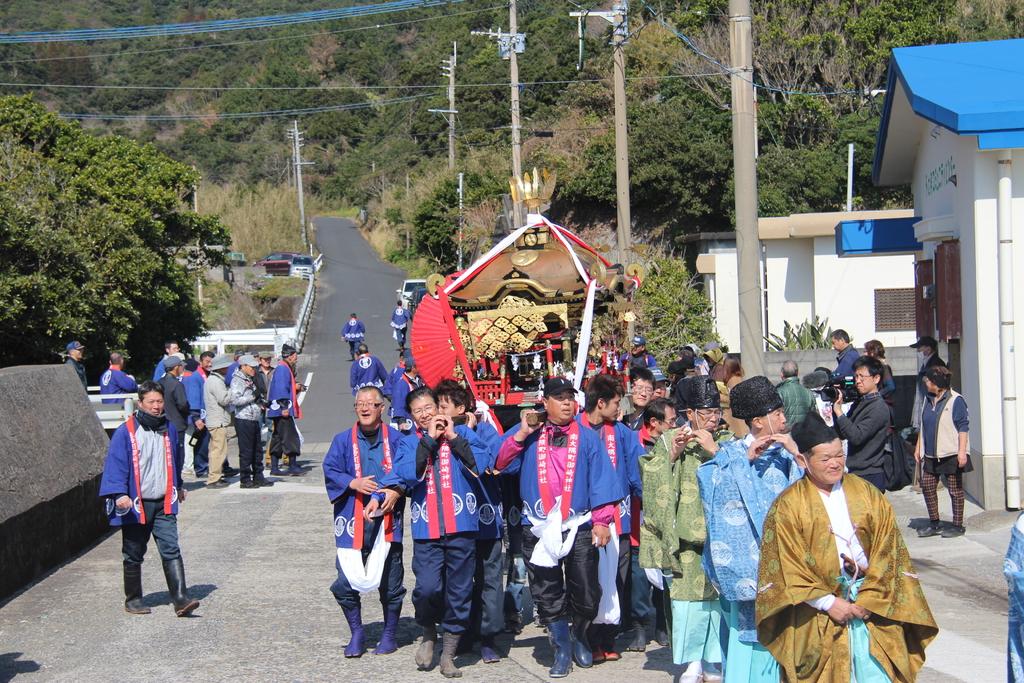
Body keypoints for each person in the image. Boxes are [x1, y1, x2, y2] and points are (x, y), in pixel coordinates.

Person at [756, 412, 938, 681]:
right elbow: (786, 565)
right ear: (803, 460)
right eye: (826, 458)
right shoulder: (787, 506)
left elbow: (890, 551)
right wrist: (828, 602)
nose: (835, 464)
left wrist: (868, 597)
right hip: (816, 615)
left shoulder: (866, 493)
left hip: (872, 606)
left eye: (839, 455)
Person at [494, 377, 624, 677]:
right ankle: (562, 647)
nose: (567, 403)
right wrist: (522, 433)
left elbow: (602, 478)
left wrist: (603, 520)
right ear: (546, 402)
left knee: (588, 591)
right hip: (537, 526)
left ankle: (580, 633)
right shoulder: (529, 432)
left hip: (578, 523)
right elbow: (500, 462)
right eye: (560, 397)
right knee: (546, 591)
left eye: (570, 397)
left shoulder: (588, 437)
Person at [368, 386, 491, 678]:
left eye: (428, 408)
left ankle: (448, 654)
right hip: (427, 529)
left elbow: (482, 464)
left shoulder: (464, 435)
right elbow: (407, 475)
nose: (424, 415)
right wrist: (429, 442)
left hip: (462, 525)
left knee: (459, 591)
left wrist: (453, 437)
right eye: (417, 411)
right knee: (426, 588)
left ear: (438, 408)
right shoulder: (410, 444)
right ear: (411, 417)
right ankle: (427, 631)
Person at [697, 376, 802, 683]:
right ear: (757, 421)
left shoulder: (789, 453)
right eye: (777, 413)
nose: (784, 418)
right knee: (748, 639)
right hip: (749, 566)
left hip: (789, 561)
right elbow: (710, 490)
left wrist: (797, 454)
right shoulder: (729, 454)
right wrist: (745, 462)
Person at [640, 377, 731, 683]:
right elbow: (650, 476)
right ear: (689, 413)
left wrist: (715, 450)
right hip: (683, 539)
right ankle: (692, 661)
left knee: (719, 602)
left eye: (716, 411)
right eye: (706, 412)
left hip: (721, 536)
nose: (714, 417)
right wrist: (674, 454)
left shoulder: (728, 441)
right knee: (687, 603)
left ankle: (714, 660)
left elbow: (740, 477)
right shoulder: (669, 439)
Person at [98, 380, 200, 617]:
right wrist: (120, 494)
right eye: (151, 402)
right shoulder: (126, 432)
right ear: (140, 403)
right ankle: (133, 599)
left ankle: (180, 598)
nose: (156, 406)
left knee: (171, 548)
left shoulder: (169, 428)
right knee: (133, 552)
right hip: (136, 504)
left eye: (159, 401)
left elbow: (175, 459)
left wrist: (179, 486)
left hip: (163, 500)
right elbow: (115, 465)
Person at [323, 386, 406, 658]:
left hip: (386, 521)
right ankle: (357, 632)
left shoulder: (395, 439)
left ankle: (389, 634)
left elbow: (407, 471)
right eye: (360, 403)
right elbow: (331, 469)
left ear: (382, 408)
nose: (365, 407)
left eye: (372, 403)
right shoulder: (342, 440)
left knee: (391, 581)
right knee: (344, 582)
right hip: (352, 519)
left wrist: (391, 491)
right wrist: (352, 482)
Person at [435, 380, 504, 664]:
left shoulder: (485, 430)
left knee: (489, 578)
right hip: (454, 520)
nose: (437, 412)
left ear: (461, 408)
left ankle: (488, 636)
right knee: (458, 580)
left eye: (443, 407)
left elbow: (492, 464)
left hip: (485, 515)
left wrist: (468, 435)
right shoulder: (436, 434)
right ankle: (460, 632)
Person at [579, 375, 644, 662]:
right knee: (587, 582)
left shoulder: (623, 433)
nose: (620, 408)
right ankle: (586, 638)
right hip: (581, 521)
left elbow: (638, 474)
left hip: (617, 519)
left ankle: (607, 638)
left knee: (615, 580)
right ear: (600, 402)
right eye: (617, 402)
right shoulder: (573, 431)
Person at [630, 398, 676, 653]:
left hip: (666, 520)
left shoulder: (674, 441)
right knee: (639, 577)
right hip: (641, 516)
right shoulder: (635, 442)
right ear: (655, 423)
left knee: (665, 572)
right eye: (671, 421)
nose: (675, 424)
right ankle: (639, 625)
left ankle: (662, 622)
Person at [915, 366, 971, 538]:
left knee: (955, 490)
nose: (926, 383)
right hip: (931, 453)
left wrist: (962, 452)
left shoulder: (956, 400)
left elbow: (963, 427)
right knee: (928, 486)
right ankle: (934, 523)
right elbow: (923, 425)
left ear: (937, 384)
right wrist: (918, 447)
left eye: (929, 381)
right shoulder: (927, 399)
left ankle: (957, 525)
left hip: (950, 453)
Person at [832, 356, 892, 491]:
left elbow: (856, 437)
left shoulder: (878, 407)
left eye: (862, 377)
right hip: (856, 471)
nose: (858, 381)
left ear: (876, 379)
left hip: (870, 474)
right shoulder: (861, 402)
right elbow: (842, 432)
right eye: (856, 376)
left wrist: (839, 412)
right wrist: (835, 409)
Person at [230, 354, 272, 489]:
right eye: (251, 366)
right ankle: (245, 479)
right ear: (243, 366)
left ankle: (258, 476)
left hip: (254, 417)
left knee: (257, 449)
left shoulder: (250, 379)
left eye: (255, 366)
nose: (254, 369)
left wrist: (261, 402)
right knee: (246, 451)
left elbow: (255, 396)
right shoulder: (237, 380)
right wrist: (252, 397)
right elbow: (235, 400)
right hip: (243, 419)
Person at [268, 344, 306, 477]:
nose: (296, 359)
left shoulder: (283, 368)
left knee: (278, 437)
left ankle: (274, 466)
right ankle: (292, 465)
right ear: (289, 357)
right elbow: (281, 389)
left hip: (277, 409)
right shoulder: (283, 369)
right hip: (282, 409)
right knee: (290, 437)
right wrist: (284, 407)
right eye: (294, 356)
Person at [203, 354, 234, 489]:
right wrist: (232, 391)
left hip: (215, 419)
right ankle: (214, 478)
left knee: (217, 449)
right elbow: (224, 399)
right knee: (218, 450)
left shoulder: (213, 379)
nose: (227, 368)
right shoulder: (216, 381)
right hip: (218, 420)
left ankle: (216, 476)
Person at [183, 351, 213, 477]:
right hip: (199, 416)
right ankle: (200, 468)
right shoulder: (196, 377)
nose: (210, 364)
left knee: (205, 443)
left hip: (208, 415)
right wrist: (196, 417)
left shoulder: (209, 375)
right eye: (207, 362)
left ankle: (205, 466)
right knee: (199, 443)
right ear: (201, 362)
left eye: (212, 362)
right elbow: (193, 398)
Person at [157, 354, 191, 465]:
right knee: (177, 456)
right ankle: (177, 481)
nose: (183, 368)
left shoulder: (159, 383)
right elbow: (183, 404)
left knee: (165, 456)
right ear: (176, 367)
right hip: (177, 424)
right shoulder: (177, 384)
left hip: (161, 423)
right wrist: (188, 412)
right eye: (181, 366)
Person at [910, 335, 947, 431]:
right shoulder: (926, 363)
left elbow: (939, 387)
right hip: (926, 402)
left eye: (920, 348)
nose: (918, 351)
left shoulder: (936, 363)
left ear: (928, 348)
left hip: (933, 404)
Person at [776, 360, 814, 428]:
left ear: (781, 373)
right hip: (805, 433)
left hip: (785, 434)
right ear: (797, 372)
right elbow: (814, 417)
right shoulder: (808, 392)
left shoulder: (778, 392)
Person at [389, 353, 422, 432]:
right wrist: (402, 421)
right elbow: (398, 403)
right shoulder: (402, 384)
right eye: (419, 365)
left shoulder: (419, 379)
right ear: (413, 368)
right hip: (409, 417)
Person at [718, 356, 747, 437]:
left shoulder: (734, 381)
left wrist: (719, 396)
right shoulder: (736, 379)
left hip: (737, 420)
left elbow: (735, 399)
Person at [863, 339, 896, 405]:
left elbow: (891, 387)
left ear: (872, 353)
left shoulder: (883, 367)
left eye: (866, 351)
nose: (864, 353)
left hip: (883, 404)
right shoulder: (875, 366)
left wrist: (875, 395)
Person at [622, 367, 655, 431]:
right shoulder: (616, 413)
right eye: (639, 388)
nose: (644, 394)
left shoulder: (653, 419)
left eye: (649, 390)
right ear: (628, 388)